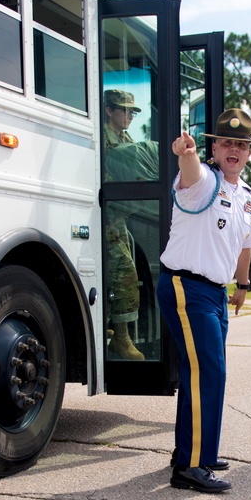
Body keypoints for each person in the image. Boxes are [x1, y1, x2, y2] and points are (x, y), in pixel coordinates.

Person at [158, 108, 251, 493]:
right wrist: (185, 154)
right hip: (187, 286)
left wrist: (243, 285)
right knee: (210, 372)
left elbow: (245, 245)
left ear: (249, 152)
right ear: (214, 149)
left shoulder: (246, 196)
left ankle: (198, 450)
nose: (234, 149)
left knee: (202, 373)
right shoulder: (204, 182)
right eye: (227, 143)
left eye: (242, 144)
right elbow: (190, 173)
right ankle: (190, 467)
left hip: (216, 293)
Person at [102, 89, 145, 360]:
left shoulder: (125, 138)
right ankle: (121, 337)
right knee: (124, 274)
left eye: (132, 111)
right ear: (109, 111)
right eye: (124, 110)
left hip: (120, 218)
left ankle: (112, 329)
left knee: (119, 274)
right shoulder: (103, 138)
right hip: (107, 217)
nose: (129, 115)